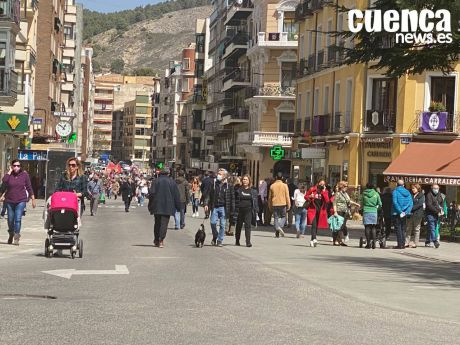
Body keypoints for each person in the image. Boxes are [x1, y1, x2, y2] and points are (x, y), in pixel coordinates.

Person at [2, 160, 36, 245]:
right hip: (9, 200)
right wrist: (9, 172)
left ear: (20, 166)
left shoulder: (24, 175)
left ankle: (16, 236)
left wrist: (33, 198)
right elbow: (4, 181)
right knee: (10, 220)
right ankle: (11, 233)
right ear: (12, 166)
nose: (16, 167)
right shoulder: (9, 175)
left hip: (21, 200)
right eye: (14, 165)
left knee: (17, 219)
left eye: (18, 166)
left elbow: (29, 186)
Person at [148, 168, 181, 248]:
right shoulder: (172, 182)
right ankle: (161, 240)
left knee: (157, 223)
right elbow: (176, 196)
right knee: (164, 224)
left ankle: (156, 239)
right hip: (168, 206)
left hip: (157, 205)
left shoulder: (155, 181)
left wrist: (150, 205)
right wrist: (178, 207)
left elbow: (151, 194)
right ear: (168, 174)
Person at [203, 168, 235, 247]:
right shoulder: (214, 184)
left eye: (220, 174)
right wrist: (206, 204)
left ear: (225, 176)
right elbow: (208, 195)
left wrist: (232, 210)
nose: (218, 175)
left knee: (222, 225)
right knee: (213, 222)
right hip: (215, 207)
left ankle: (219, 240)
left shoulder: (229, 186)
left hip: (223, 207)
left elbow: (232, 198)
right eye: (218, 173)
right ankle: (215, 235)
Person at [234, 175, 258, 247]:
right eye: (243, 179)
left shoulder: (253, 191)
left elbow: (255, 201)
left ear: (249, 181)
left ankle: (248, 242)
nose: (244, 181)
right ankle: (237, 240)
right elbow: (235, 199)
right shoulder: (238, 190)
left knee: (248, 226)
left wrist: (256, 209)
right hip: (239, 210)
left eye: (246, 179)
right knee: (239, 226)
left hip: (248, 210)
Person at [333, 181, 360, 245]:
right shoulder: (338, 193)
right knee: (339, 226)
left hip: (345, 211)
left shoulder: (345, 194)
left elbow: (349, 201)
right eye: (345, 186)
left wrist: (356, 204)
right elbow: (334, 203)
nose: (346, 188)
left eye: (347, 186)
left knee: (343, 226)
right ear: (341, 186)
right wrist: (335, 212)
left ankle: (339, 240)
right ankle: (337, 240)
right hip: (339, 211)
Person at [305, 179, 329, 247]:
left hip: (320, 211)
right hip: (313, 210)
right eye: (321, 184)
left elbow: (327, 201)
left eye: (323, 184)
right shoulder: (312, 189)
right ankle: (314, 238)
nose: (322, 185)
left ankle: (312, 240)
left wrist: (324, 192)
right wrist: (310, 196)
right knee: (314, 225)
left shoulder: (325, 191)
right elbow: (306, 196)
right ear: (318, 183)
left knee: (316, 226)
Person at [392, 180, 413, 249]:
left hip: (397, 213)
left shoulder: (395, 191)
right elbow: (411, 204)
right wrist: (405, 212)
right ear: (403, 185)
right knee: (403, 229)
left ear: (396, 185)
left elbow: (395, 203)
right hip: (405, 214)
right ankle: (403, 244)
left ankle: (400, 244)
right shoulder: (408, 192)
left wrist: (400, 212)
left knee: (398, 229)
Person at [268, 172, 291, 238]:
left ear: (275, 178)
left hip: (274, 203)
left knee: (276, 217)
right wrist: (289, 205)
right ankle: (280, 227)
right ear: (282, 178)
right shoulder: (285, 185)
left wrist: (270, 205)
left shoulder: (272, 186)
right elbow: (287, 196)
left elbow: (270, 197)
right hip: (283, 203)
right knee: (284, 216)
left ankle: (277, 231)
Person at [361, 183, 382, 249]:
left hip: (366, 211)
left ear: (366, 187)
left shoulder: (364, 194)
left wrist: (363, 208)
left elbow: (362, 203)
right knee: (373, 227)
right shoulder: (376, 194)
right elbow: (380, 204)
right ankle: (374, 243)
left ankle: (368, 244)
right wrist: (377, 209)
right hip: (374, 211)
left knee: (367, 227)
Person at [406, 184, 425, 248]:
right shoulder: (410, 195)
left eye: (414, 188)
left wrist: (410, 208)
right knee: (408, 228)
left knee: (416, 229)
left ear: (418, 188)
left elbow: (419, 204)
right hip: (410, 214)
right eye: (412, 188)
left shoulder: (421, 195)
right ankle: (406, 242)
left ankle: (415, 243)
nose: (412, 189)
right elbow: (408, 202)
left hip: (417, 214)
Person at [425, 184, 443, 248]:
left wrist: (441, 210)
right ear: (431, 188)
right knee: (432, 227)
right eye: (435, 188)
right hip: (430, 214)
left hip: (436, 214)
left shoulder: (439, 195)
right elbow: (429, 205)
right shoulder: (429, 195)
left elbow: (441, 203)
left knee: (431, 228)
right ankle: (435, 241)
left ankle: (427, 241)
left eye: (437, 188)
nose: (436, 190)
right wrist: (437, 211)